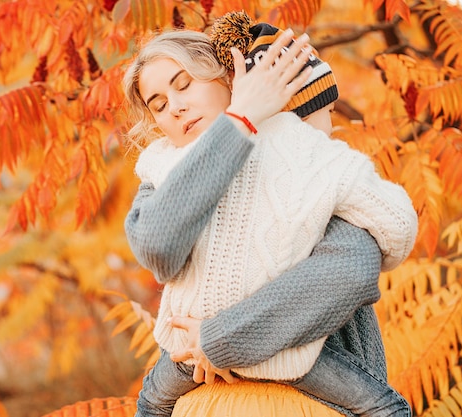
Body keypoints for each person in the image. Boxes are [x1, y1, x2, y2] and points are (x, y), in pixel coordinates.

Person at [122, 21, 417, 417]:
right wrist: (238, 121)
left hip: (309, 392)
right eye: (158, 105)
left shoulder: (298, 157)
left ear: (230, 76)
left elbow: (351, 267)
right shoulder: (161, 170)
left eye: (185, 84)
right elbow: (159, 249)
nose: (174, 107)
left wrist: (220, 339)